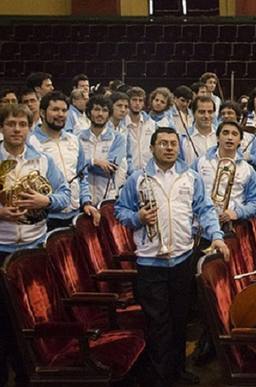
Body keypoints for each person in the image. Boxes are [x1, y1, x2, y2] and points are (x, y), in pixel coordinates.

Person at [115, 127, 230, 386]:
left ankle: (178, 370)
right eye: (163, 143)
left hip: (181, 259)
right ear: (152, 147)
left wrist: (218, 236)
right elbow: (121, 211)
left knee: (179, 319)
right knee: (158, 322)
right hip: (150, 262)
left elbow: (205, 210)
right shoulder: (137, 179)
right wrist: (138, 218)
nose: (169, 148)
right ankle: (160, 376)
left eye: (173, 144)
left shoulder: (191, 177)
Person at [0, 103, 71, 387]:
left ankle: (27, 375)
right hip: (1, 247)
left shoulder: (42, 161)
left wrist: (47, 201)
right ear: (2, 127)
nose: (17, 129)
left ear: (30, 128)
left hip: (33, 248)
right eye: (11, 124)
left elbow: (65, 196)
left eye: (22, 124)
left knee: (29, 320)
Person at [28, 91, 98, 230]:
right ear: (42, 113)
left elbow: (81, 175)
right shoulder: (31, 142)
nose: (60, 114)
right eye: (55, 109)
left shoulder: (73, 140)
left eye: (64, 110)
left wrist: (86, 202)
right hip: (45, 218)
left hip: (75, 214)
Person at [192, 121, 256, 226]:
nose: (230, 137)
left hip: (231, 226)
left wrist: (237, 213)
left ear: (240, 141)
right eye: (225, 133)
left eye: (234, 134)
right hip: (201, 225)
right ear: (217, 138)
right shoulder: (200, 162)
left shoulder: (248, 170)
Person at [78, 94, 128, 205]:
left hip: (107, 198)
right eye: (96, 109)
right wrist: (94, 162)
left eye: (104, 110)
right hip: (82, 198)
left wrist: (84, 165)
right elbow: (75, 168)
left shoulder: (118, 138)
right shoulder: (78, 138)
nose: (100, 114)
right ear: (89, 112)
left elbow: (110, 169)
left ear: (109, 114)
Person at [216, 100, 256, 174]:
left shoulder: (250, 138)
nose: (226, 116)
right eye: (223, 114)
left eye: (230, 113)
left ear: (237, 116)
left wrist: (250, 158)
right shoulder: (215, 136)